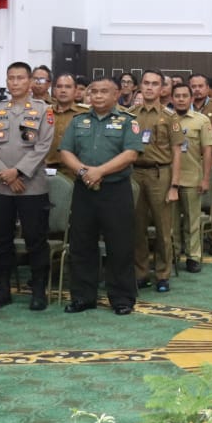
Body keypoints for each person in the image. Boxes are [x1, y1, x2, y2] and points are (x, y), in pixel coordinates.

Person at [59, 76, 145, 315]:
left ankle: (122, 298)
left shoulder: (127, 121)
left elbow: (131, 154)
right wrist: (84, 172)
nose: (97, 95)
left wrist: (100, 172)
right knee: (81, 244)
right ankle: (83, 297)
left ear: (116, 95)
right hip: (84, 189)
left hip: (115, 191)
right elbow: (65, 151)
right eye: (94, 91)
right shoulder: (78, 121)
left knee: (120, 245)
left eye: (104, 91)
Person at [0, 62, 55, 311]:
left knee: (35, 238)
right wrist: (6, 175)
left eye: (20, 78)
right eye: (11, 78)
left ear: (30, 81)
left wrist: (18, 172)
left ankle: (38, 291)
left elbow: (43, 146)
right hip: (1, 186)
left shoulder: (43, 110)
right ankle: (2, 291)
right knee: (0, 239)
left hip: (31, 187)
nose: (15, 82)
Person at [131, 71, 184, 294]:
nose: (150, 87)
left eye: (155, 84)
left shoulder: (170, 116)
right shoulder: (130, 114)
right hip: (135, 174)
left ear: (162, 89)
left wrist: (174, 186)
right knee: (137, 228)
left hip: (160, 175)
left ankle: (163, 274)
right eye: (146, 83)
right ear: (140, 86)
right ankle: (141, 272)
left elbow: (177, 152)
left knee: (163, 229)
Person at [170, 81, 212, 273]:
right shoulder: (166, 119)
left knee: (192, 221)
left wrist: (205, 179)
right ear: (171, 98)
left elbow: (207, 151)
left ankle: (193, 256)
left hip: (192, 178)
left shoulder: (201, 120)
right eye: (177, 96)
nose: (181, 99)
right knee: (171, 223)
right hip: (168, 180)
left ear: (191, 98)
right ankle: (173, 254)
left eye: (184, 96)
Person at [45, 73, 88, 178]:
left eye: (68, 87)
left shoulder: (86, 113)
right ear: (54, 90)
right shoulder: (44, 112)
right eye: (59, 86)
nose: (63, 90)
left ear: (75, 90)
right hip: (46, 169)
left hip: (76, 171)